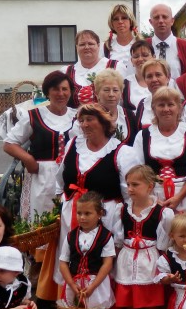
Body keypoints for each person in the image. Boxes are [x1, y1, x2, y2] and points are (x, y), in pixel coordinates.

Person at [50, 104, 138, 292]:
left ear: (104, 123)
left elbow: (130, 194)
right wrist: (62, 201)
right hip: (73, 213)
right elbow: (60, 178)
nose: (84, 124)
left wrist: (127, 221)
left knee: (99, 258)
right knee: (71, 255)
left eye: (90, 119)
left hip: (105, 216)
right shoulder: (73, 145)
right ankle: (72, 296)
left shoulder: (122, 152)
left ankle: (100, 298)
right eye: (81, 120)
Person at [114, 165, 174, 309]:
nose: (130, 188)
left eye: (135, 184)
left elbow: (165, 243)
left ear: (149, 186)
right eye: (128, 184)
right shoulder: (121, 210)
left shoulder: (163, 213)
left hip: (150, 266)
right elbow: (118, 240)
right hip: (127, 265)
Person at [57, 191, 119, 309]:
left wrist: (93, 286)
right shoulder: (71, 236)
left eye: (87, 213)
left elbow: (107, 263)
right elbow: (63, 262)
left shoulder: (106, 236)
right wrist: (71, 283)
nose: (82, 217)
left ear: (99, 214)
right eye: (79, 213)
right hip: (75, 285)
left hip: (96, 285)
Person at [3, 70, 76, 222]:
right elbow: (9, 144)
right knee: (41, 220)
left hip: (71, 175)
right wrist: (28, 159)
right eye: (55, 89)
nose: (61, 93)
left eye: (65, 89)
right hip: (43, 177)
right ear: (47, 92)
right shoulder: (34, 116)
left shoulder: (78, 116)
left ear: (70, 92)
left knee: (70, 219)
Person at [133, 87, 186, 219]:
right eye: (161, 105)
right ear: (154, 109)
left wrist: (178, 197)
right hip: (153, 197)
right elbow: (138, 171)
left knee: (185, 232)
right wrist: (153, 200)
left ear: (179, 108)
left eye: (170, 104)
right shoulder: (142, 136)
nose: (166, 109)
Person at [135, 59, 186, 128]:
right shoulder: (142, 106)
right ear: (145, 80)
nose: (154, 80)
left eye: (158, 75)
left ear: (168, 77)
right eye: (149, 76)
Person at [62, 29, 119, 108]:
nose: (86, 47)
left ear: (98, 46)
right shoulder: (65, 72)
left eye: (91, 44)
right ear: (76, 47)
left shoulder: (116, 67)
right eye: (82, 44)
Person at [148, 3, 186, 80]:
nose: (161, 21)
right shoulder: (143, 46)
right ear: (151, 22)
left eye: (165, 17)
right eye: (156, 17)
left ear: (172, 21)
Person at [103, 4, 140, 74]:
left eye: (124, 18)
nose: (120, 22)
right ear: (112, 23)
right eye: (116, 19)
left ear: (131, 21)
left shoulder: (141, 44)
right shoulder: (106, 47)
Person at [122, 39, 153, 111]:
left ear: (153, 57)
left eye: (145, 55)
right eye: (136, 56)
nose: (140, 59)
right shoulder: (125, 84)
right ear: (131, 61)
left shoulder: (165, 81)